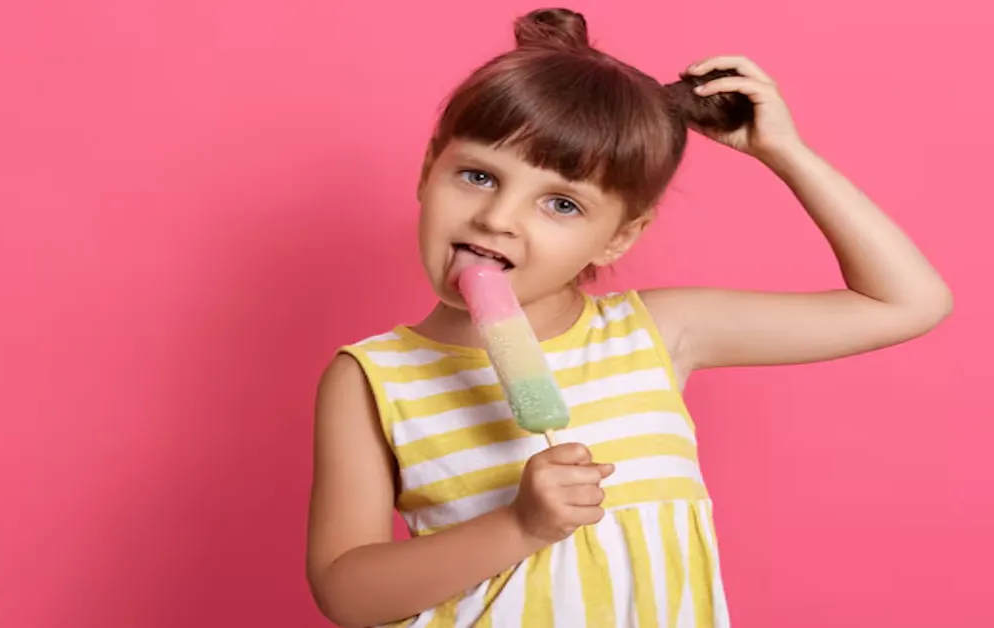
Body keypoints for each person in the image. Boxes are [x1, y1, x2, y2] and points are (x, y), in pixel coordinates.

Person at [306, 7, 951, 627]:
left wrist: (786, 152)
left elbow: (907, 302)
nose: (498, 218)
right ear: (428, 171)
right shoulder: (372, 378)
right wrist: (519, 526)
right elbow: (345, 592)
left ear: (620, 238)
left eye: (561, 204)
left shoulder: (659, 333)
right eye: (477, 175)